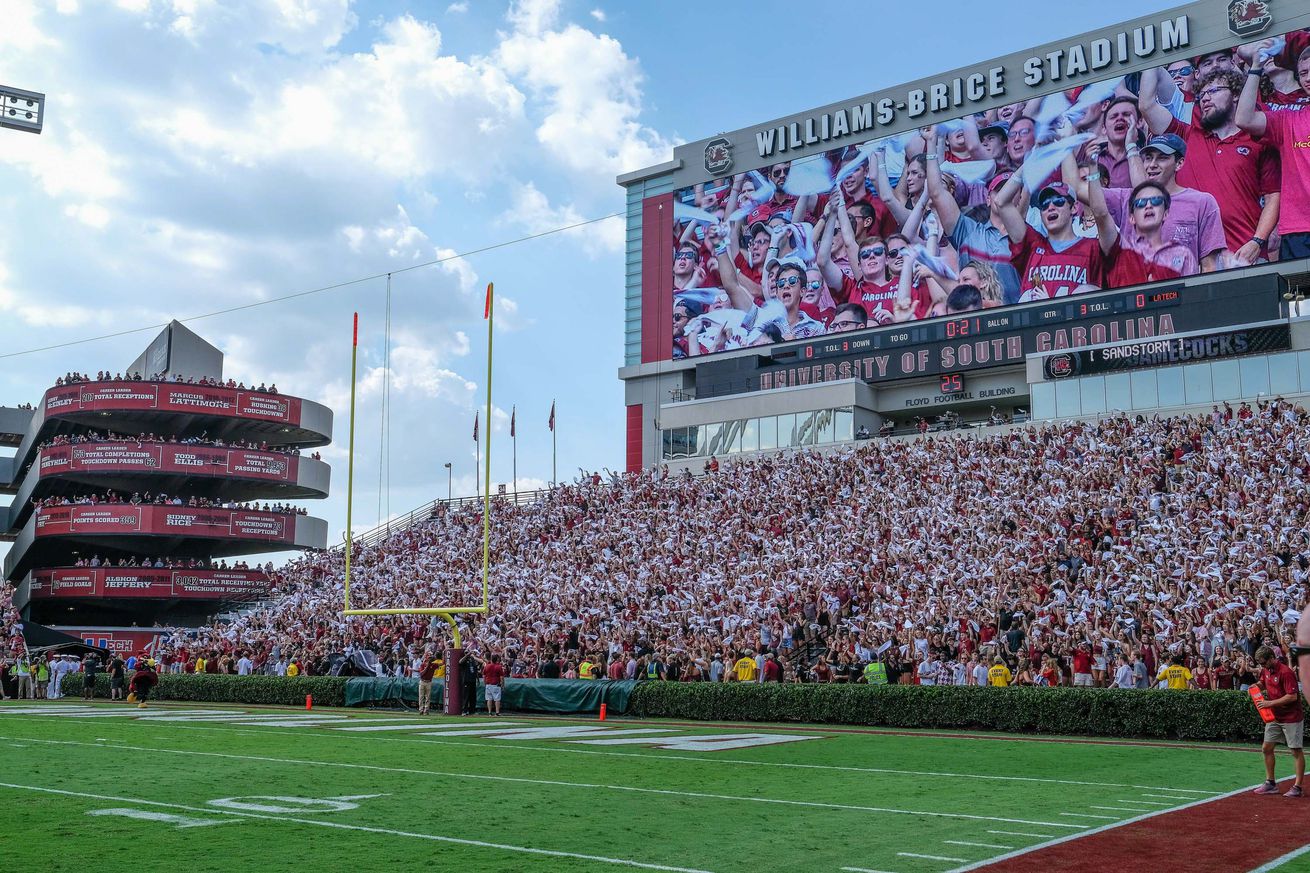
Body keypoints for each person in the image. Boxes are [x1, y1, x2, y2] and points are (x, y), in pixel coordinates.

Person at [1236, 45, 1310, 259]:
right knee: (1300, 293)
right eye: (1303, 73)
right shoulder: (1289, 119)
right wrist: (1256, 68)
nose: (1308, 78)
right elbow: (1244, 119)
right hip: (1299, 230)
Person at [1252, 646, 1305, 797]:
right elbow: (1263, 682)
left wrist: (1269, 703)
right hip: (1275, 717)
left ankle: (1298, 787)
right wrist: (1256, 687)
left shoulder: (1286, 672)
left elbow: (1292, 696)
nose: (1262, 667)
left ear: (1271, 658)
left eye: (1264, 663)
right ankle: (1270, 783)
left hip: (1291, 717)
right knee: (1266, 748)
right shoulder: (1266, 670)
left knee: (1295, 750)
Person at [417, 648, 441, 716]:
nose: (430, 659)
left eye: (430, 657)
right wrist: (427, 666)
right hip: (422, 681)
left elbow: (442, 664)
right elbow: (421, 674)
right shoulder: (423, 665)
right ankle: (421, 710)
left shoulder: (433, 665)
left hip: (429, 682)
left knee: (428, 697)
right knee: (421, 697)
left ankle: (426, 710)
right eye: (429, 657)